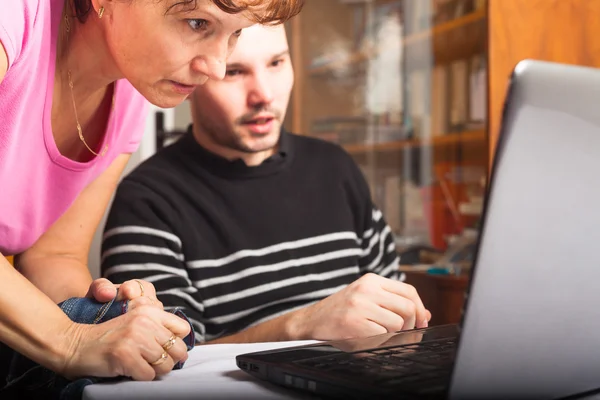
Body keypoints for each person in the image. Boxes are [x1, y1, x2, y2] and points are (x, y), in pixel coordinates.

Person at [0, 0, 303, 386]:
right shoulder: (12, 16)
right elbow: (67, 342)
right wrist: (70, 341)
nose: (217, 67)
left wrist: (112, 321)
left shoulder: (129, 92)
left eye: (235, 32)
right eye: (196, 23)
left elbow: (52, 255)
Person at [100, 23, 432, 345]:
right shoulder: (146, 201)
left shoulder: (336, 167)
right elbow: (164, 361)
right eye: (234, 72)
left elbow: (402, 323)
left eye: (276, 63)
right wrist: (302, 325)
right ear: (188, 80)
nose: (264, 94)